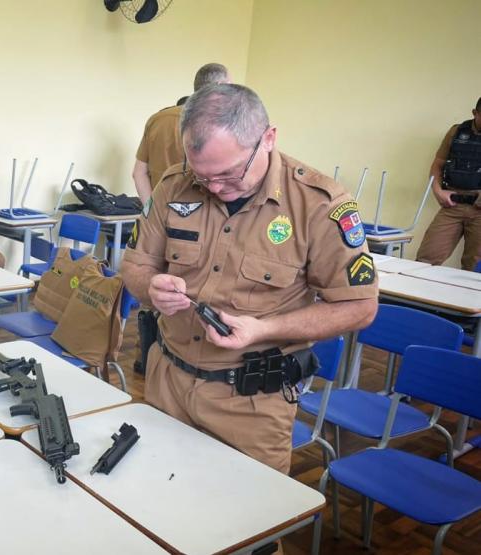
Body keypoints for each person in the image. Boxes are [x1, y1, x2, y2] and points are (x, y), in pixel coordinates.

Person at [121, 84, 378, 476]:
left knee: (246, 529)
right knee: (157, 506)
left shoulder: (319, 204)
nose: (215, 188)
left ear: (268, 138)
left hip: (251, 404)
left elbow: (360, 306)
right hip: (166, 383)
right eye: (202, 176)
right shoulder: (173, 184)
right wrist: (151, 288)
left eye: (228, 174)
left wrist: (264, 329)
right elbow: (135, 266)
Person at [132, 63, 231, 204]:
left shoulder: (157, 119)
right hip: (200, 216)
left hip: (160, 211)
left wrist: (150, 211)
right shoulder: (222, 124)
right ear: (221, 85)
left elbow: (138, 173)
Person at [415, 97, 481, 271]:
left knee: (475, 269)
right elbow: (438, 164)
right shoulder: (457, 131)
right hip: (452, 204)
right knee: (425, 260)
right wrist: (437, 191)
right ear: (475, 113)